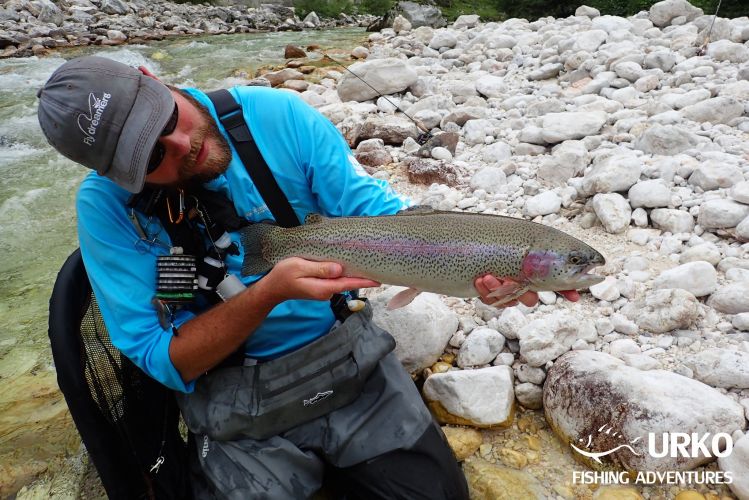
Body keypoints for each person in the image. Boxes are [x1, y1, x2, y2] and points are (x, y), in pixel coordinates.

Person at [38, 55, 577, 499]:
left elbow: (378, 221)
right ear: (115, 174)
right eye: (152, 154)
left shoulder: (276, 116)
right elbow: (163, 358)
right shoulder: (109, 210)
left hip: (347, 359)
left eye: (166, 120)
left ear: (153, 79)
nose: (182, 145)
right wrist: (268, 293)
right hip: (232, 400)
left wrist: (486, 261)